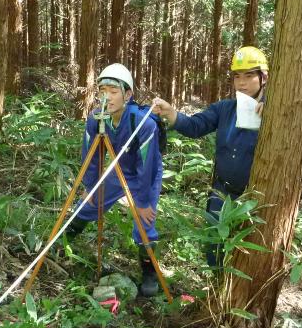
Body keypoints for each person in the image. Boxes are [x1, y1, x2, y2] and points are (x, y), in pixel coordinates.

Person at [151, 46, 268, 267]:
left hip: (256, 198)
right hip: (221, 192)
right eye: (237, 76)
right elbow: (196, 126)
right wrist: (170, 113)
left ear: (264, 77)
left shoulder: (273, 109)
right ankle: (216, 287)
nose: (241, 82)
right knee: (214, 245)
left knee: (249, 254)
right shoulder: (225, 109)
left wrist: (271, 110)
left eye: (249, 75)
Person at [65, 63, 164, 297]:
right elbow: (91, 156)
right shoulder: (96, 119)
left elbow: (147, 166)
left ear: (127, 95)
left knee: (145, 220)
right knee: (88, 204)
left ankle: (149, 272)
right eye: (102, 91)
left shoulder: (143, 122)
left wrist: (141, 203)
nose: (106, 97)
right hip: (119, 170)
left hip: (145, 174)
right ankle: (63, 243)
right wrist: (90, 186)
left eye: (113, 91)